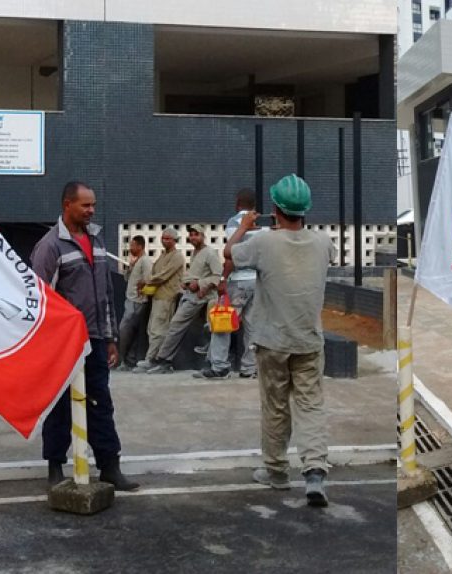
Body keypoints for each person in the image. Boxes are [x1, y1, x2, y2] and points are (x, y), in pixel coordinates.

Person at [224, 174, 336, 507]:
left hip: (272, 340)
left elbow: (230, 252)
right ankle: (315, 470)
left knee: (275, 406)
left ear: (275, 209)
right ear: (306, 209)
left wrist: (245, 225)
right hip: (309, 340)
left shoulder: (263, 243)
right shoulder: (323, 243)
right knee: (311, 405)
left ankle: (276, 470)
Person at [30, 181, 139, 491]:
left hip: (95, 340)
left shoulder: (97, 239)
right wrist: (48, 345)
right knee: (60, 407)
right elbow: (39, 298)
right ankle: (55, 468)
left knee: (100, 403)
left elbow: (105, 293)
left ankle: (110, 467)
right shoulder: (50, 247)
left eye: (93, 205)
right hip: (63, 345)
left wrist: (110, 338)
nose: (92, 210)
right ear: (67, 205)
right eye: (85, 205)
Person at [195, 188, 263, 379]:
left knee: (223, 321)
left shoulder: (235, 223)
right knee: (252, 326)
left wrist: (223, 279)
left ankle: (219, 366)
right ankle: (249, 368)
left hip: (239, 282)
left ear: (237, 203)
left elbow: (232, 254)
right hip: (257, 282)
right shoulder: (263, 224)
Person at [137, 224, 222, 374]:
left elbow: (217, 276)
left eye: (196, 234)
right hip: (190, 295)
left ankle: (163, 360)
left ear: (203, 236)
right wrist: (186, 282)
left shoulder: (209, 253)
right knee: (175, 327)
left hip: (203, 297)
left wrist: (200, 284)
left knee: (182, 327)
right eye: (191, 234)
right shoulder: (196, 252)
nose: (193, 237)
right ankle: (162, 360)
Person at [135, 228, 184, 368]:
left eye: (168, 238)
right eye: (163, 238)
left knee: (159, 330)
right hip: (157, 296)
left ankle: (153, 360)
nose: (165, 241)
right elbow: (155, 271)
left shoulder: (177, 256)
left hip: (167, 297)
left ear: (175, 240)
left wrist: (147, 280)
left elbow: (163, 275)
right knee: (152, 328)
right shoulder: (163, 255)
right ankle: (152, 358)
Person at [117, 235, 153, 370]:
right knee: (130, 331)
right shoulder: (137, 261)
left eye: (133, 245)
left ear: (140, 246)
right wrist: (130, 267)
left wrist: (141, 290)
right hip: (130, 300)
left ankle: (125, 360)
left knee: (124, 329)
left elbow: (148, 279)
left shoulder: (145, 262)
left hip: (137, 301)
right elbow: (126, 278)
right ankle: (127, 361)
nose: (130, 248)